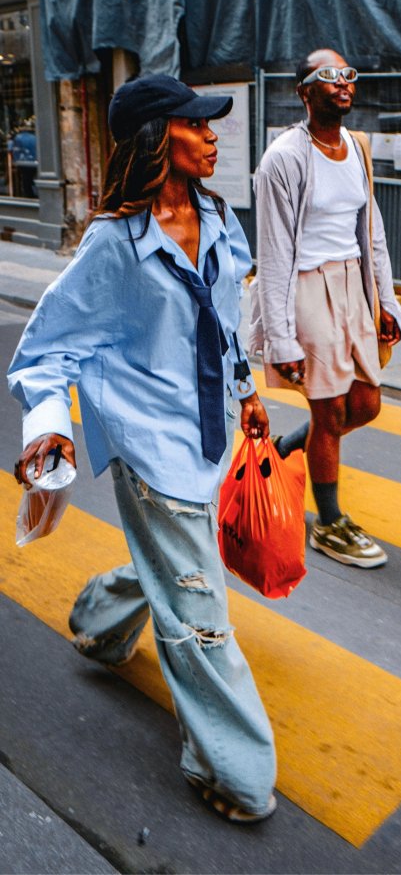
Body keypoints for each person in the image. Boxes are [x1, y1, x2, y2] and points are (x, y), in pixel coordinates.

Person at [8, 75, 277, 823]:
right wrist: (49, 428)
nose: (215, 135)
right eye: (199, 123)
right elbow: (43, 352)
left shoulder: (219, 218)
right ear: (161, 136)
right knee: (201, 617)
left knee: (177, 560)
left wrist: (248, 395)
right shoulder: (115, 245)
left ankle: (98, 622)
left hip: (210, 433)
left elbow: (222, 326)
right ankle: (235, 770)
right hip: (151, 446)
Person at [249, 48, 401, 569]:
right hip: (307, 288)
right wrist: (282, 338)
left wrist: (386, 301)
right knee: (330, 409)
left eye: (348, 75)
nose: (342, 83)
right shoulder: (283, 159)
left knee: (365, 404)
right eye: (328, 75)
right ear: (305, 92)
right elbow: (271, 254)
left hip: (353, 283)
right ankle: (330, 523)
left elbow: (373, 231)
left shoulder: (357, 148)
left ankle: (290, 449)